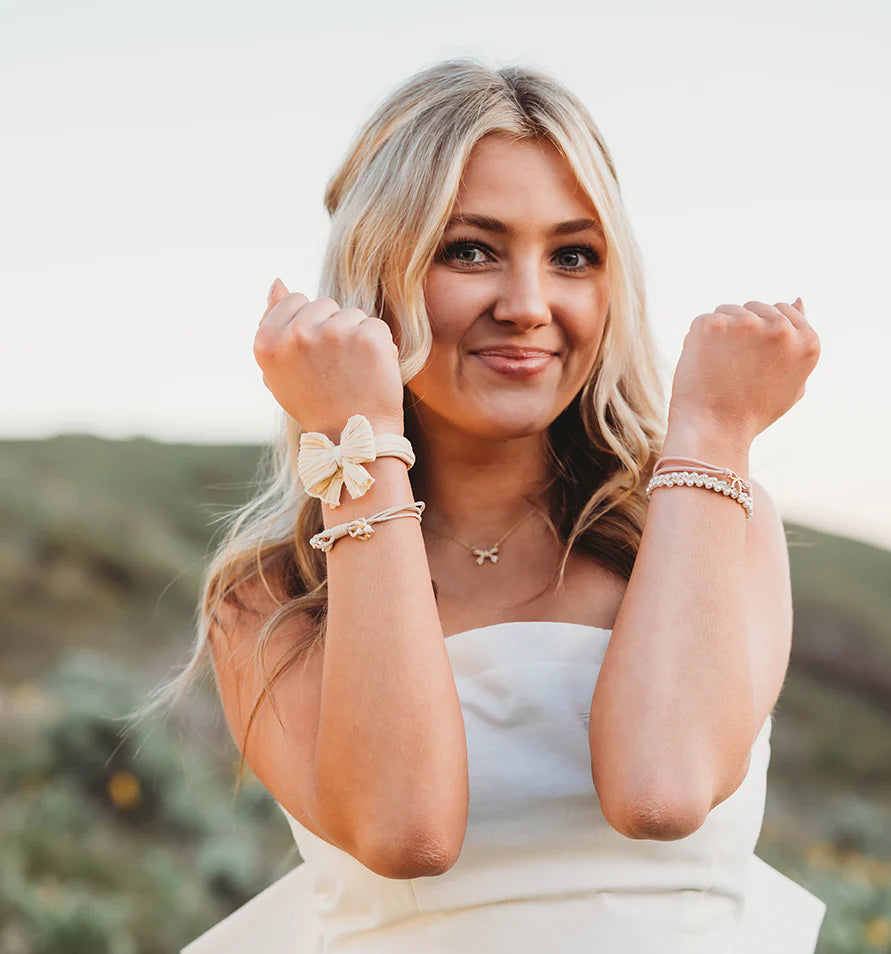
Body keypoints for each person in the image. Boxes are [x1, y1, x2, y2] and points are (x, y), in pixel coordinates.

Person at [165, 58, 826, 952]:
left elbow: (660, 792)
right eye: (468, 249)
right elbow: (406, 833)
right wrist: (356, 434)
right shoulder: (270, 593)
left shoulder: (712, 519)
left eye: (573, 256)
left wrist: (709, 432)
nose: (527, 305)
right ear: (378, 271)